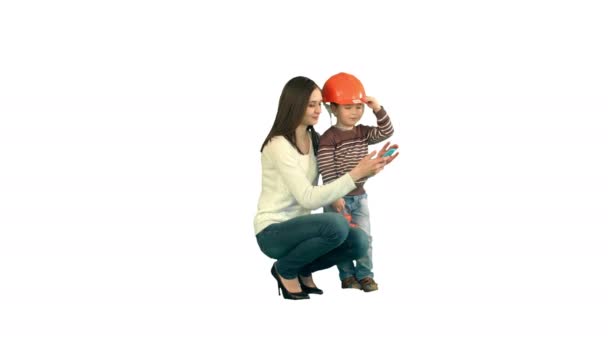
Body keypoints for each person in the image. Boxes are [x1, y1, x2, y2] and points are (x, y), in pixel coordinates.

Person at [254, 76, 398, 300]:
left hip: (303, 230)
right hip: (274, 232)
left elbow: (340, 169)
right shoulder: (278, 145)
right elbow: (308, 199)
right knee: (336, 225)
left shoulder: (315, 139)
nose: (318, 110)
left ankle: (303, 268)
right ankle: (286, 269)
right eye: (311, 104)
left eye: (320, 103)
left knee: (358, 241)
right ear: (294, 104)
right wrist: (357, 173)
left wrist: (371, 167)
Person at [318, 72, 397, 292]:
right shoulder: (328, 138)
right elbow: (327, 170)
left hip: (359, 197)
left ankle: (365, 276)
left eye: (358, 107)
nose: (355, 112)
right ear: (333, 108)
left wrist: (377, 109)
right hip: (337, 198)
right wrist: (335, 197)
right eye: (348, 107)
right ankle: (347, 276)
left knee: (364, 238)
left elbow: (386, 131)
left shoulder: (363, 132)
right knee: (341, 240)